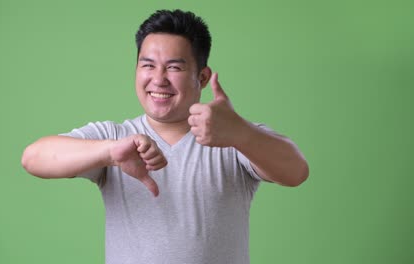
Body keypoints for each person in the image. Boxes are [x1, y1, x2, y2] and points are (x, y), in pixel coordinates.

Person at [21, 9, 309, 264]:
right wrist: (110, 151)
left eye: (174, 67)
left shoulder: (231, 136)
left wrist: (241, 133)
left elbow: (296, 171)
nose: (158, 79)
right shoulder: (115, 137)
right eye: (147, 65)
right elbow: (33, 158)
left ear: (203, 77)